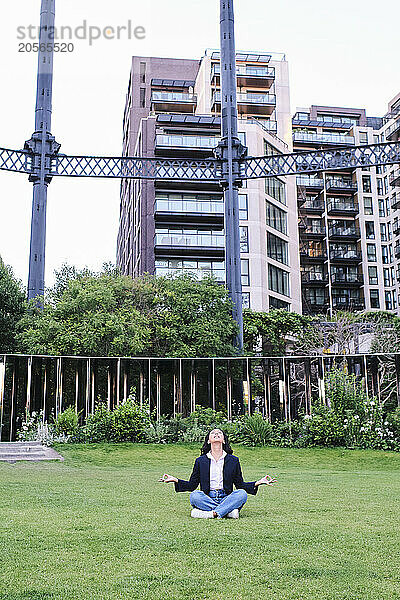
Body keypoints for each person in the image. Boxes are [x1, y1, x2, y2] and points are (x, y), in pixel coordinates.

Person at [159, 427, 277, 519]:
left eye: (219, 433)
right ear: (209, 440)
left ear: (224, 440)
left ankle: (211, 513)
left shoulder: (233, 460)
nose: (216, 434)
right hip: (207, 497)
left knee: (241, 494)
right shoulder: (200, 461)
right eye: (213, 433)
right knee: (194, 496)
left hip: (226, 497)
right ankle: (228, 512)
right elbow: (192, 485)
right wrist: (176, 480)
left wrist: (258, 482)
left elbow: (240, 485)